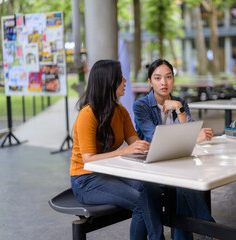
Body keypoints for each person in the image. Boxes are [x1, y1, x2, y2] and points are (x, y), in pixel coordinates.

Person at [70, 59, 164, 240]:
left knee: (150, 188)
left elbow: (136, 143)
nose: (125, 80)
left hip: (109, 172)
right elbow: (88, 159)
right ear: (109, 81)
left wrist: (159, 147)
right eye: (120, 77)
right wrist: (123, 152)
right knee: (139, 202)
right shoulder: (87, 115)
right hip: (85, 179)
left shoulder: (120, 111)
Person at [133, 59, 216, 240]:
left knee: (183, 183)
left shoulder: (180, 103)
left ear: (173, 79)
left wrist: (179, 110)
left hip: (178, 162)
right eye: (157, 78)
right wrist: (192, 136)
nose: (164, 82)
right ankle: (212, 230)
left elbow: (188, 132)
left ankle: (208, 232)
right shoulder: (141, 106)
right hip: (153, 167)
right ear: (150, 82)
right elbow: (154, 138)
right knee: (184, 182)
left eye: (168, 77)